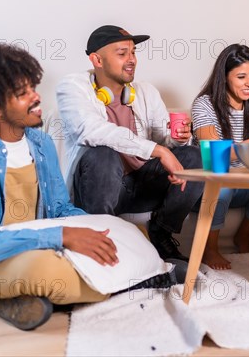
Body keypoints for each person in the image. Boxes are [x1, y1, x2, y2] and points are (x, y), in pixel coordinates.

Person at [0, 44, 116, 330]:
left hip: (29, 250)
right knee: (45, 271)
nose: (36, 97)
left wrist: (96, 229)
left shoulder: (41, 144)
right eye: (22, 93)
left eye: (33, 87)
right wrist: (61, 235)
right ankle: (115, 285)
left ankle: (22, 299)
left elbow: (61, 209)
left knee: (114, 244)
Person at [56, 25, 205, 262]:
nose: (131, 59)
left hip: (141, 183)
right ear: (97, 59)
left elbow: (165, 138)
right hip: (100, 185)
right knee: (102, 154)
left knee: (195, 157)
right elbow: (90, 130)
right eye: (122, 53)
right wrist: (158, 150)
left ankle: (161, 233)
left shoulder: (146, 92)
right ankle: (104, 241)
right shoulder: (73, 87)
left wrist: (177, 139)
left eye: (133, 52)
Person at [191, 44, 249, 270]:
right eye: (241, 77)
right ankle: (210, 248)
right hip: (208, 184)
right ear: (224, 77)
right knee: (222, 184)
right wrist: (247, 147)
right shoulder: (205, 104)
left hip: (243, 182)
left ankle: (243, 235)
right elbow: (212, 156)